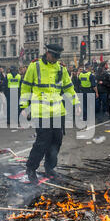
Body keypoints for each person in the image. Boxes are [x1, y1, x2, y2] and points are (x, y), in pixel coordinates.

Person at [20, 44, 81, 184]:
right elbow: (25, 87)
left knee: (56, 141)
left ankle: (49, 168)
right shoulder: (34, 67)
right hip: (41, 112)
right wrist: (24, 107)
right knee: (42, 142)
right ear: (47, 53)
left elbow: (68, 88)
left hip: (58, 112)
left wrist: (76, 103)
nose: (55, 59)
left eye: (57, 57)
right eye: (53, 56)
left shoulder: (61, 68)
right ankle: (31, 169)